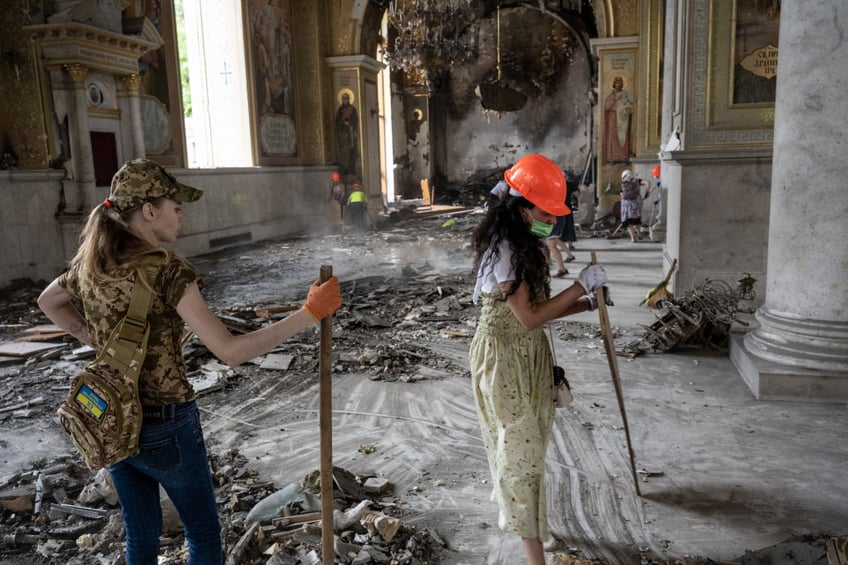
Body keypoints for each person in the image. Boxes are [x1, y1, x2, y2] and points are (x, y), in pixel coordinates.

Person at [37, 158, 342, 564]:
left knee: (140, 531)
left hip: (112, 417)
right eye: (174, 205)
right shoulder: (167, 270)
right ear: (149, 210)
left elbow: (48, 301)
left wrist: (91, 336)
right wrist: (309, 313)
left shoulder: (92, 265)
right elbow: (230, 352)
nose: (181, 213)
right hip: (166, 425)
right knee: (201, 531)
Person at [468, 154, 610, 565]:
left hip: (526, 355)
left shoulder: (525, 243)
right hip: (503, 359)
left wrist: (585, 304)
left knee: (530, 448)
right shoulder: (506, 251)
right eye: (547, 211)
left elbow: (536, 309)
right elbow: (529, 318)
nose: (553, 219)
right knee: (521, 454)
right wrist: (579, 284)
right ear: (523, 207)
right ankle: (533, 554)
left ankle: (528, 519)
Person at [603, 76, 633, 163]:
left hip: (623, 119)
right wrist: (614, 100)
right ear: (614, 84)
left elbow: (628, 104)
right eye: (617, 83)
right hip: (613, 118)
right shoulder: (611, 96)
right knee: (613, 135)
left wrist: (627, 107)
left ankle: (623, 157)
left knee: (624, 136)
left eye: (620, 83)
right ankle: (613, 158)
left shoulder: (624, 94)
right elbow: (607, 107)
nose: (619, 85)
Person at [620, 169, 646, 242]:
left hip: (627, 207)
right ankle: (639, 234)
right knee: (637, 220)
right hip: (635, 205)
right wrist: (646, 192)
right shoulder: (637, 181)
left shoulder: (623, 184)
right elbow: (648, 182)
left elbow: (622, 196)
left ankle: (633, 238)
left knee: (629, 222)